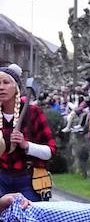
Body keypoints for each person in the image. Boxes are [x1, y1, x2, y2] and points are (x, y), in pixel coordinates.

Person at [0, 63, 56, 201]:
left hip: (28, 180)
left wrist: (26, 145)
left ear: (16, 88)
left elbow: (50, 151)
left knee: (28, 221)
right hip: (0, 178)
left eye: (6, 82)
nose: (1, 87)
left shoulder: (33, 113)